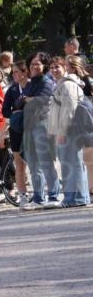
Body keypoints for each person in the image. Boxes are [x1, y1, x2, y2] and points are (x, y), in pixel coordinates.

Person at [19, 52, 60, 209]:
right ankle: (38, 197)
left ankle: (54, 196)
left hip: (42, 125)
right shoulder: (30, 84)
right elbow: (18, 103)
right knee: (34, 164)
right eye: (32, 64)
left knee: (46, 162)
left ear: (44, 66)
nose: (34, 67)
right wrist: (27, 100)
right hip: (29, 126)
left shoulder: (47, 82)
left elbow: (41, 102)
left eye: (37, 64)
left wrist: (28, 100)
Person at [48, 56, 89, 207]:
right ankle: (78, 198)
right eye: (51, 68)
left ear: (66, 68)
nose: (54, 70)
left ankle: (75, 199)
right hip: (68, 131)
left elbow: (68, 110)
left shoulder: (67, 85)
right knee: (72, 163)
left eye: (57, 67)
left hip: (69, 131)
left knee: (72, 164)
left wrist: (62, 132)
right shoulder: (63, 84)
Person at [1, 61, 30, 205]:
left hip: (32, 127)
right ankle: (23, 195)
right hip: (16, 128)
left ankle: (41, 193)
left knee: (37, 162)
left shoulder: (33, 87)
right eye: (13, 72)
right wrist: (17, 109)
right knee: (19, 163)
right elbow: (5, 111)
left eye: (16, 72)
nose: (13, 74)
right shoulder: (12, 90)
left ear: (25, 72)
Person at [65, 56, 93, 199]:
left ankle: (90, 190)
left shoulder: (87, 81)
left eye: (68, 66)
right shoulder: (69, 82)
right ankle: (88, 190)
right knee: (85, 159)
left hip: (88, 120)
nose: (66, 69)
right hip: (77, 122)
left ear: (74, 67)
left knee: (89, 159)